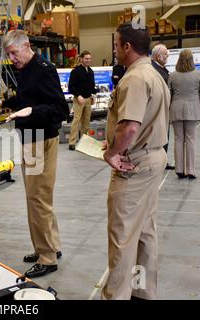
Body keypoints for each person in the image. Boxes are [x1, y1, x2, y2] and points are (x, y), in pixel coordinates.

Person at [0, 30, 69, 278]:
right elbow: (29, 97)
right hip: (30, 140)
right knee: (39, 198)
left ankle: (47, 257)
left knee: (37, 199)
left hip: (40, 140)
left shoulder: (43, 69)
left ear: (26, 45)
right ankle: (50, 246)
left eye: (14, 53)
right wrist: (6, 103)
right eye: (8, 55)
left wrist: (30, 112)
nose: (11, 59)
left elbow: (60, 109)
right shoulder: (27, 69)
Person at [102, 23, 170, 300]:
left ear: (127, 47)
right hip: (153, 157)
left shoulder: (134, 79)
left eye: (116, 44)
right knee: (143, 232)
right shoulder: (154, 73)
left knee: (122, 238)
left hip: (135, 165)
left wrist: (111, 153)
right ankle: (142, 293)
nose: (115, 50)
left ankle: (116, 296)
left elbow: (129, 127)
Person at [168, 49, 200, 179]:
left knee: (178, 139)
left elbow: (169, 95)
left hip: (176, 109)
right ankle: (190, 170)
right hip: (192, 109)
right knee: (191, 139)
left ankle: (179, 169)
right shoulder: (198, 75)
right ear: (192, 59)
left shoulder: (172, 75)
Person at [151, 43, 174, 170]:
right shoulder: (154, 68)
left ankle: (163, 161)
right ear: (158, 56)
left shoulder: (161, 68)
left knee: (165, 134)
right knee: (160, 135)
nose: (167, 57)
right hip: (158, 108)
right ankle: (159, 162)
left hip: (164, 108)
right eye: (165, 54)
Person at [68, 50, 97, 150]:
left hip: (88, 99)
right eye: (86, 58)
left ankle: (84, 141)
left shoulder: (91, 71)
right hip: (78, 100)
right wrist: (78, 96)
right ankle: (72, 142)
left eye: (89, 58)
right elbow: (71, 87)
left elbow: (92, 86)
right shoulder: (75, 71)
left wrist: (93, 95)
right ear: (81, 59)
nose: (88, 60)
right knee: (76, 121)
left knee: (86, 122)